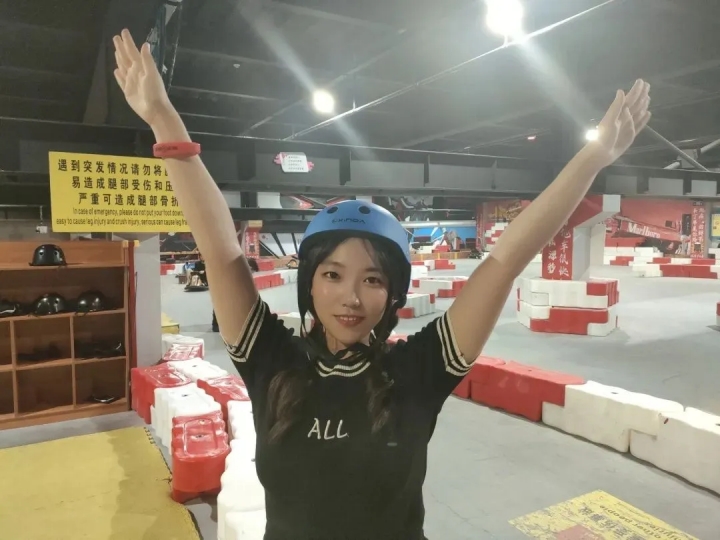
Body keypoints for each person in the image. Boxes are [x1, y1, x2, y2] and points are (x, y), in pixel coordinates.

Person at [113, 29, 650, 540]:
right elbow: (220, 250)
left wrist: (593, 158)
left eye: (372, 279)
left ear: (392, 295)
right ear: (309, 285)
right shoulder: (271, 361)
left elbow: (505, 260)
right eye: (332, 275)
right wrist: (163, 119)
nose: (351, 297)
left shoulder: (415, 372)